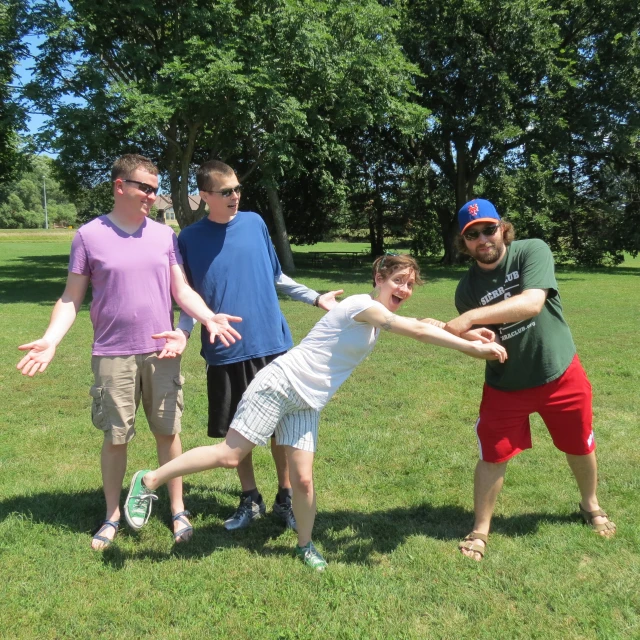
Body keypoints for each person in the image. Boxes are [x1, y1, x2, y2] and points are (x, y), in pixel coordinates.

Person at [124, 254, 507, 570]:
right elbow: (414, 330)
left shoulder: (376, 316)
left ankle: (304, 545)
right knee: (230, 455)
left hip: (307, 401)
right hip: (280, 384)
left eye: (410, 285)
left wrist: (466, 332)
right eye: (398, 281)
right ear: (379, 277)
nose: (404, 290)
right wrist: (471, 351)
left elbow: (425, 323)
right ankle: (150, 480)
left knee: (303, 481)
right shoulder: (362, 306)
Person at [16, 154, 241, 550]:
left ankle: (177, 510)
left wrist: (206, 318)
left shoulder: (163, 236)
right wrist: (51, 339)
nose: (152, 197)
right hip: (112, 353)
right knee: (116, 436)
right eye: (145, 188)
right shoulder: (88, 236)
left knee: (168, 433)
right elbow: (71, 297)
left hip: (162, 353)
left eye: (155, 190)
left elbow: (181, 290)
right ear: (120, 186)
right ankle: (112, 515)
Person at [169, 160, 343, 532]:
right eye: (226, 191)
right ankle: (250, 498)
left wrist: (315, 298)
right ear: (204, 196)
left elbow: (276, 275)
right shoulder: (188, 239)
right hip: (225, 349)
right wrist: (183, 333)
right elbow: (189, 296)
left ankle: (284, 498)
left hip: (272, 345)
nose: (235, 197)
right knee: (236, 430)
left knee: (283, 428)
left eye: (237, 190)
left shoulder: (255, 224)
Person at [443, 198, 616, 562]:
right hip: (506, 384)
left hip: (560, 372)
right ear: (465, 243)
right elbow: (480, 339)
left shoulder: (530, 252)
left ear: (502, 228)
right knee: (492, 455)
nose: (483, 239)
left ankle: (590, 505)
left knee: (579, 446)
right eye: (472, 235)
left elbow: (532, 302)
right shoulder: (466, 288)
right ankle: (480, 530)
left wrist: (472, 317)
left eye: (488, 229)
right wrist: (475, 340)